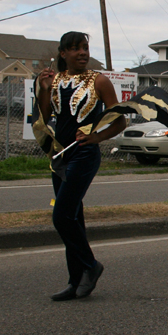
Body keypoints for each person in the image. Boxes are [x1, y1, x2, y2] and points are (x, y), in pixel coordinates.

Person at [36, 32, 126, 301]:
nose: (82, 53)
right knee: (73, 219)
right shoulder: (55, 81)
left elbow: (120, 121)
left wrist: (97, 138)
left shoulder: (99, 81)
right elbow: (44, 117)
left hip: (84, 155)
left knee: (61, 217)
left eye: (85, 47)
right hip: (60, 156)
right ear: (63, 53)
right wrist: (44, 89)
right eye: (75, 48)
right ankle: (75, 282)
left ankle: (91, 266)